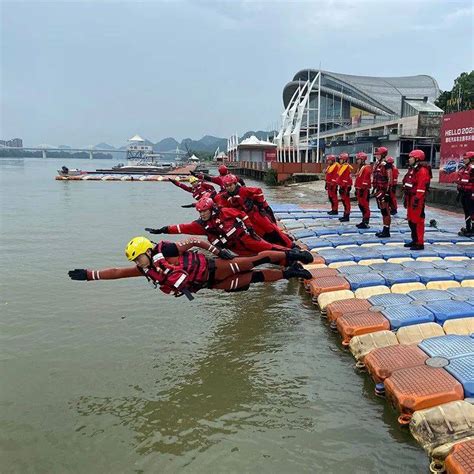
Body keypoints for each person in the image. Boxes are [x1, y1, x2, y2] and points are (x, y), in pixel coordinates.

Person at [68, 236, 312, 299]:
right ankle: (291, 272)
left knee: (255, 260)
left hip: (217, 267)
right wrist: (90, 275)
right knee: (256, 278)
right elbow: (118, 272)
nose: (136, 264)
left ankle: (292, 254)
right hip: (210, 284)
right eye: (135, 261)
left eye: (138, 258)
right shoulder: (146, 270)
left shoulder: (168, 251)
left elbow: (195, 242)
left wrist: (218, 251)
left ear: (147, 250)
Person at [144, 197, 311, 262]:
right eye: (200, 212)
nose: (202, 214)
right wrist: (162, 230)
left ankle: (294, 254)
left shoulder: (224, 212)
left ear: (211, 209)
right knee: (259, 260)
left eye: (204, 211)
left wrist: (251, 229)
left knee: (268, 247)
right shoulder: (201, 225)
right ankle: (288, 263)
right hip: (234, 249)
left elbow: (241, 214)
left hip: (246, 239)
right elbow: (181, 228)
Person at [215, 174, 293, 247]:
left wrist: (260, 206)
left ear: (235, 184)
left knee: (272, 229)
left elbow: (258, 191)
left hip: (257, 213)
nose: (229, 188)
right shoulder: (225, 197)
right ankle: (278, 246)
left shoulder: (243, 190)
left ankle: (290, 244)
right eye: (227, 186)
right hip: (248, 219)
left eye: (230, 185)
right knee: (262, 235)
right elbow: (220, 204)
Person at [402, 149, 432, 250]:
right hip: (410, 197)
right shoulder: (413, 169)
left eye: (411, 157)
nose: (409, 159)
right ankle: (414, 240)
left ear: (417, 158)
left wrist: (417, 199)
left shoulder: (422, 170)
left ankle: (420, 242)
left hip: (417, 199)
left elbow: (421, 187)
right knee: (411, 220)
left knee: (417, 221)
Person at [372, 147, 393, 238]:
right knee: (382, 211)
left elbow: (390, 179)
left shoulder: (386, 165)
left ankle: (386, 231)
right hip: (379, 190)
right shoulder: (377, 164)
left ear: (383, 154)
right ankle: (384, 229)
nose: (376, 156)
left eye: (378, 154)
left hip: (384, 191)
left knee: (385, 211)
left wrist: (387, 192)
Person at [456, 151, 474, 237]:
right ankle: (468, 227)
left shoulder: (472, 169)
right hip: (464, 193)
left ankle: (473, 229)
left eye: (466, 158)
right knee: (466, 212)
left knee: (472, 212)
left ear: (471, 159)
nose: (464, 160)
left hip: (470, 193)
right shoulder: (464, 169)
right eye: (464, 158)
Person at [354, 152, 371, 229]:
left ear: (363, 159)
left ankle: (366, 222)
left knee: (365, 206)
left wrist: (362, 189)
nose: (357, 161)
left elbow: (366, 180)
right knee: (361, 205)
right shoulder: (361, 167)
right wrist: (356, 188)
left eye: (358, 159)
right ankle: (363, 220)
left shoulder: (366, 168)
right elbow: (358, 178)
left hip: (364, 190)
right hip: (359, 189)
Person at [336, 152, 353, 222]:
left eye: (341, 159)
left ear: (345, 160)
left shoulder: (346, 167)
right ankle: (345, 215)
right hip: (343, 186)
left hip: (345, 187)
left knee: (346, 202)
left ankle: (346, 216)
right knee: (344, 202)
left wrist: (343, 187)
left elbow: (346, 178)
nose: (340, 160)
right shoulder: (343, 166)